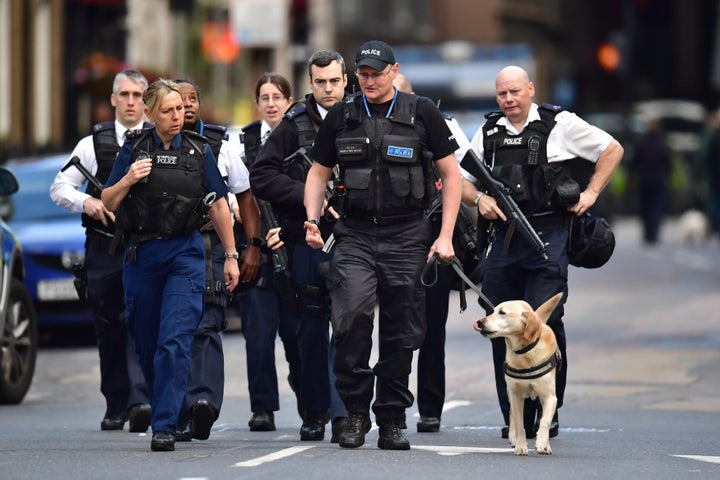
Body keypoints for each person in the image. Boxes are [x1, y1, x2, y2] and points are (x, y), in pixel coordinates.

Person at [304, 40, 462, 450]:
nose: (368, 80)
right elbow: (318, 174)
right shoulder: (343, 114)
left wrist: (444, 236)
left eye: (376, 73)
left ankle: (391, 417)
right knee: (351, 319)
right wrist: (312, 218)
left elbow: (452, 174)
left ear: (393, 72)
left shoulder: (422, 111)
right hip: (355, 233)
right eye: (363, 73)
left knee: (402, 332)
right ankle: (355, 412)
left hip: (408, 234)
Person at [461, 65, 623, 439]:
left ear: (531, 90)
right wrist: (482, 199)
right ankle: (515, 417)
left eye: (515, 92)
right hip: (502, 239)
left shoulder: (559, 124)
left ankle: (549, 408)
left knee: (544, 323)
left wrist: (592, 193)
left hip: (547, 236)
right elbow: (461, 181)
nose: (509, 100)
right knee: (500, 324)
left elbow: (612, 149)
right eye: (502, 94)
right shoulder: (489, 131)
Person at [101, 79, 240, 452]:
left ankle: (163, 427)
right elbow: (108, 202)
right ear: (150, 114)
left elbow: (219, 205)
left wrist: (230, 255)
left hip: (185, 254)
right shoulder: (133, 149)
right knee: (146, 344)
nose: (177, 116)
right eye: (168, 110)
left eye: (180, 109)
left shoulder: (199, 151)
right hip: (142, 256)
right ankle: (175, 412)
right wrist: (129, 178)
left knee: (174, 341)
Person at [250, 50, 348, 442]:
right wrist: (309, 194)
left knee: (348, 325)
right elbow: (262, 176)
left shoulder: (363, 117)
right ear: (310, 84)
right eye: (320, 82)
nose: (327, 88)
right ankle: (315, 410)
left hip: (354, 238)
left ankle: (344, 413)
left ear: (345, 81)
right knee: (310, 328)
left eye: (334, 81)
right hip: (305, 238)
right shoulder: (292, 125)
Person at [50, 69, 151, 433]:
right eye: (123, 94)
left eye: (137, 95)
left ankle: (142, 399)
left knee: (141, 319)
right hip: (104, 247)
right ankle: (116, 404)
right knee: (109, 326)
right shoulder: (93, 144)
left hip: (144, 245)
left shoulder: (158, 139)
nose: (130, 101)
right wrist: (89, 203)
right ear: (112, 99)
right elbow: (60, 187)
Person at [172, 79, 261, 442]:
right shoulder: (143, 147)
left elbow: (244, 197)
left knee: (207, 323)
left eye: (193, 99)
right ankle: (174, 411)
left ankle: (204, 401)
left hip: (209, 245)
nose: (187, 107)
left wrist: (248, 246)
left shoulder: (221, 147)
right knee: (170, 331)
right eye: (179, 101)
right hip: (162, 247)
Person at [392, 73, 470, 433]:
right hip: (389, 237)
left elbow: (466, 176)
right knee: (393, 325)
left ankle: (429, 407)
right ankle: (388, 403)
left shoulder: (442, 124)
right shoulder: (370, 122)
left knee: (431, 328)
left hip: (433, 236)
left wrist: (449, 234)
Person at [236, 72, 303, 432]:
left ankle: (308, 395)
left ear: (289, 102)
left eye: (278, 96)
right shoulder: (241, 140)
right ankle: (262, 407)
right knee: (258, 338)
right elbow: (232, 188)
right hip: (256, 251)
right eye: (265, 97)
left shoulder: (302, 136)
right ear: (257, 103)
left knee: (297, 336)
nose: (272, 103)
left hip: (293, 248)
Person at [631, 119, 670, 244]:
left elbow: (634, 162)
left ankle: (648, 233)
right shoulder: (662, 142)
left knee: (645, 208)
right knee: (656, 207)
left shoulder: (642, 142)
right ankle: (653, 233)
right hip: (658, 179)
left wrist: (632, 175)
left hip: (644, 179)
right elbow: (667, 162)